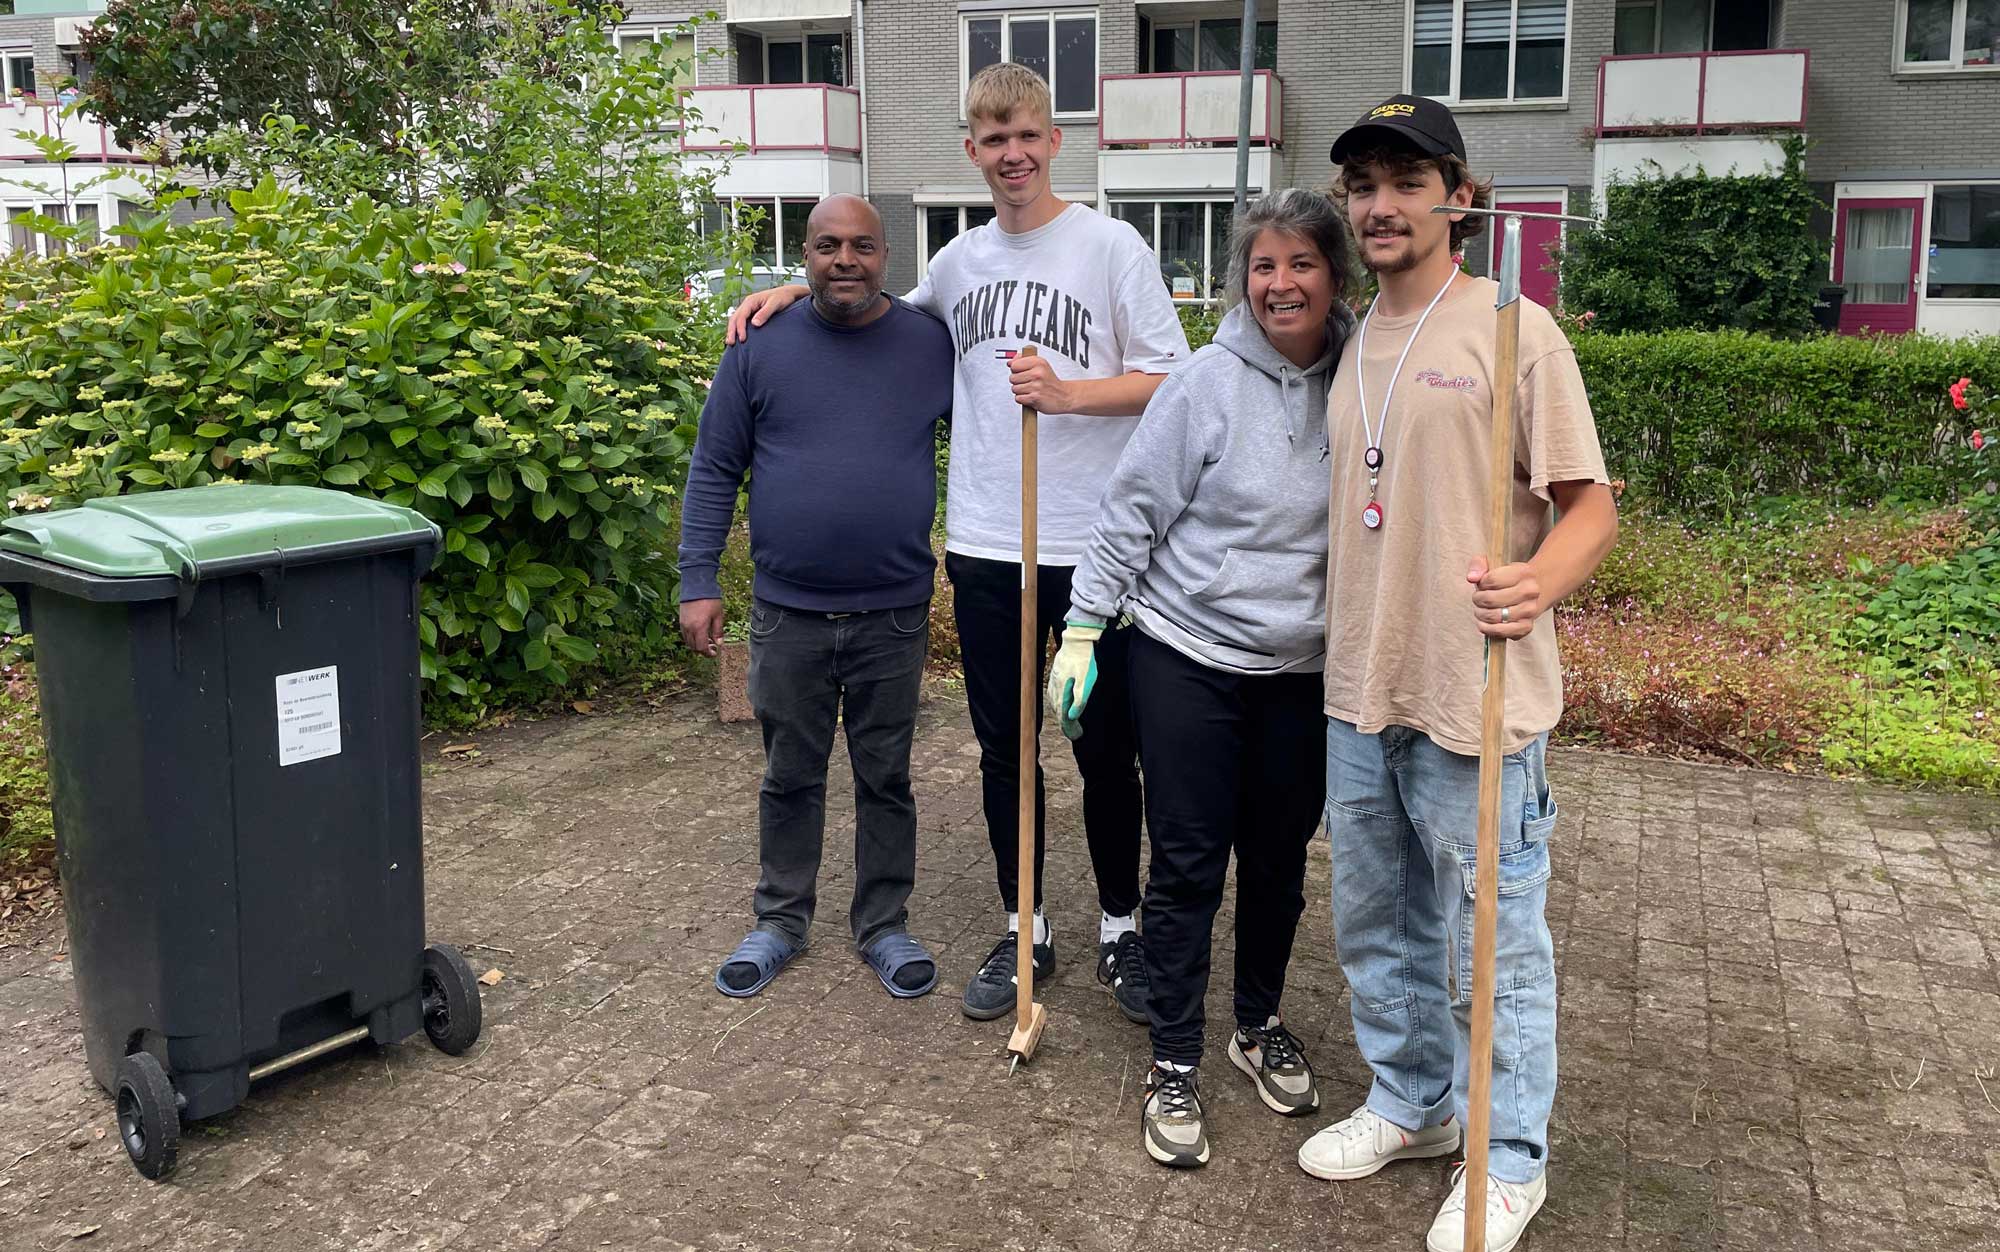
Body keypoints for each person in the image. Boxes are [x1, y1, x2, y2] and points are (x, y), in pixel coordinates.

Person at [726, 62, 1189, 1026]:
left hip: (1095, 557)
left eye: (1027, 134)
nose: (1012, 153)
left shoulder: (1112, 249)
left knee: (1106, 752)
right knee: (1003, 752)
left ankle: (1116, 926)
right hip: (986, 549)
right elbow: (870, 312)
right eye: (992, 138)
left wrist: (1069, 394)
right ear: (971, 151)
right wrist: (783, 288)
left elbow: (1174, 382)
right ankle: (1026, 927)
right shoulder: (959, 265)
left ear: (1056, 140)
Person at [1294, 97, 1619, 1252]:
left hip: (1475, 694)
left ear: (1457, 197)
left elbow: (1587, 506)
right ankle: (1413, 1105)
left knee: (1493, 943)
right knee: (1375, 923)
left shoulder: (1511, 328)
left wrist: (1540, 584)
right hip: (1358, 688)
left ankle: (1507, 1156)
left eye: (1402, 181)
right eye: (1361, 186)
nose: (1379, 205)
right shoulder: (1345, 339)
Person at [1050, 189, 1356, 1168]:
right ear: (1241, 281)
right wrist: (1081, 631)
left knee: (1275, 862)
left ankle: (1255, 1021)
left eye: (1299, 264)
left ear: (1332, 275)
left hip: (1299, 668)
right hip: (1184, 653)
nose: (1278, 284)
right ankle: (1173, 1059)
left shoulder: (1363, 373)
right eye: (1261, 267)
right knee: (1186, 866)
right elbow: (1128, 513)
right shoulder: (1202, 384)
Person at [677, 194, 953, 1001]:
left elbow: (988, 447)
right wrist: (698, 579)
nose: (844, 261)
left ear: (886, 257)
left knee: (885, 777)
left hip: (894, 611)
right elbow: (713, 467)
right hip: (786, 611)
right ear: (803, 254)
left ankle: (883, 925)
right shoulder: (758, 346)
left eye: (861, 247)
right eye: (827, 246)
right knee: (788, 774)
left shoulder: (928, 345)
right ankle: (779, 921)